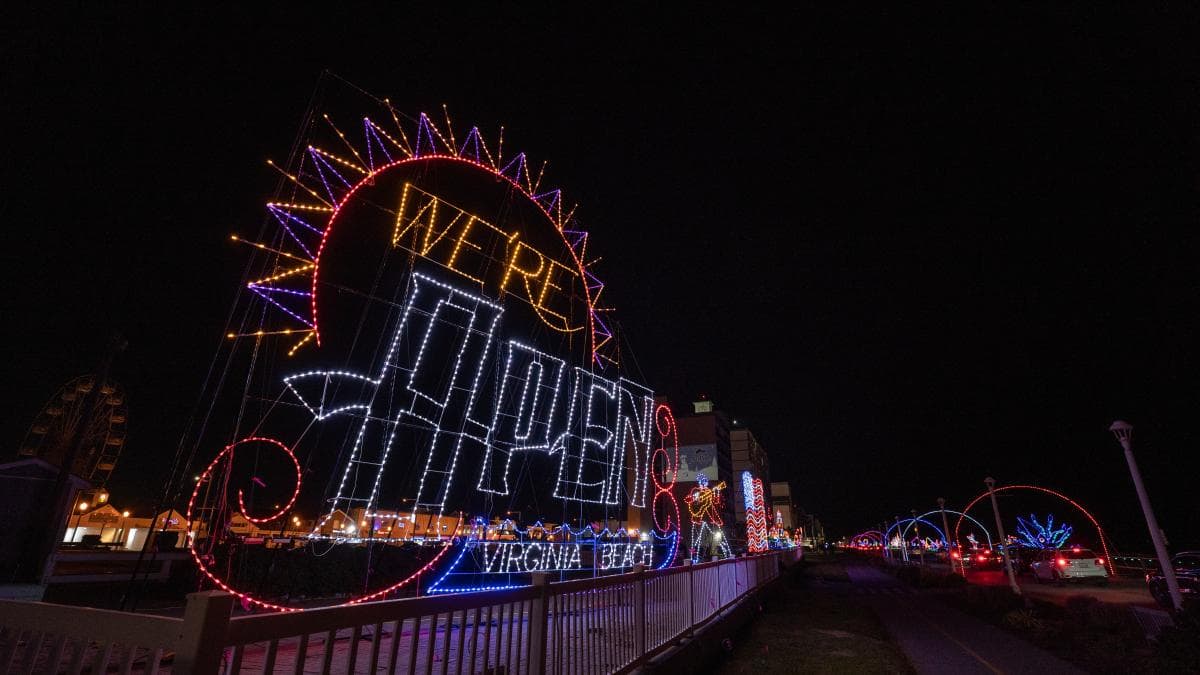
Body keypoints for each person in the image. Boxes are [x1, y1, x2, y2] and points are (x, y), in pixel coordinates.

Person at [684, 473, 731, 561]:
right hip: (699, 517)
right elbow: (689, 500)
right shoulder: (696, 490)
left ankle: (718, 554)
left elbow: (716, 502)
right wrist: (695, 499)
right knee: (699, 538)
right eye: (701, 482)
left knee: (716, 536)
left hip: (710, 517)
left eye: (704, 482)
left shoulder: (709, 491)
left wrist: (716, 493)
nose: (703, 484)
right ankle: (696, 556)